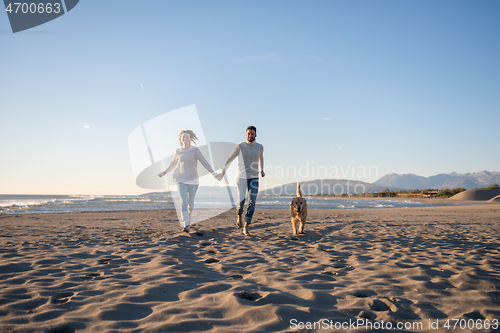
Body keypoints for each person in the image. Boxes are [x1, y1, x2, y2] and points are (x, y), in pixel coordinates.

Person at [159, 130, 219, 233]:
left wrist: (213, 173)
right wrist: (164, 172)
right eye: (183, 137)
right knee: (184, 201)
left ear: (190, 139)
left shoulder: (194, 150)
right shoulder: (177, 151)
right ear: (180, 139)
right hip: (180, 179)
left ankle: (188, 220)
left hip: (193, 180)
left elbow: (204, 162)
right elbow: (173, 163)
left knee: (190, 204)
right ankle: (185, 224)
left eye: (187, 137)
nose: (185, 139)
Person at [216, 126, 265, 236]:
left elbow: (261, 158)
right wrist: (223, 172)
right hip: (241, 177)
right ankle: (239, 216)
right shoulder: (239, 146)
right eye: (248, 134)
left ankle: (246, 227)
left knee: (252, 202)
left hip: (254, 177)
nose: (250, 136)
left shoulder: (260, 147)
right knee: (241, 202)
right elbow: (229, 159)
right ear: (246, 134)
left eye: (252, 134)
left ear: (255, 135)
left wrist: (261, 169)